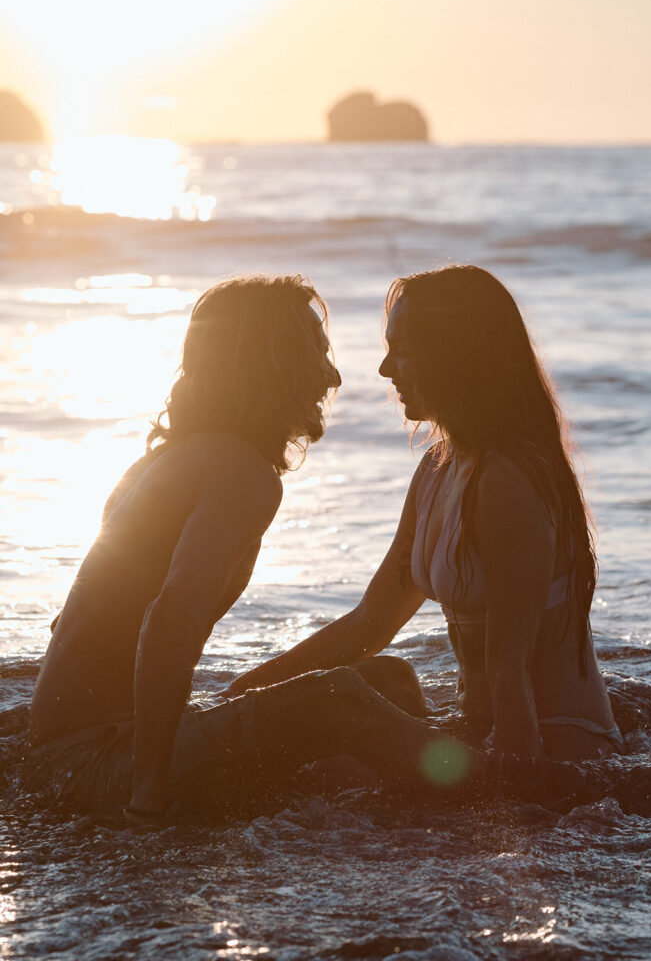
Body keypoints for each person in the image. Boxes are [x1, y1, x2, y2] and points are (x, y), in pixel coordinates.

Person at [27, 275, 468, 823]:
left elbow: (76, 629)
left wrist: (243, 695)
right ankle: (505, 791)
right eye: (315, 353)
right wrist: (148, 796)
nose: (330, 376)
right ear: (270, 366)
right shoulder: (242, 473)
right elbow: (169, 621)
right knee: (341, 701)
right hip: (103, 765)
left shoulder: (163, 462)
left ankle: (402, 809)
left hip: (63, 754)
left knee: (390, 683)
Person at [229, 266, 623, 762]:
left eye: (403, 350)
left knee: (339, 730)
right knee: (375, 684)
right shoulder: (441, 466)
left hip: (561, 747)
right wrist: (241, 692)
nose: (384, 369)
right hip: (485, 732)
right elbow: (370, 623)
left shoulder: (508, 482)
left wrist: (513, 805)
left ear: (454, 355)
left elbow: (510, 671)